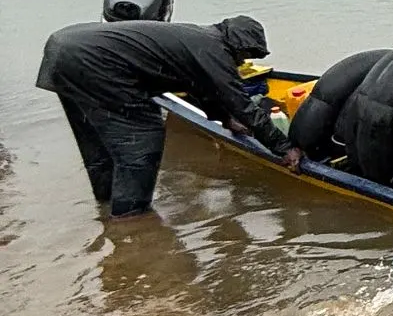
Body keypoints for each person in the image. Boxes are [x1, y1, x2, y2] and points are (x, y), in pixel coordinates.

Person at [36, 12, 299, 217]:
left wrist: (224, 120)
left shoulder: (200, 41)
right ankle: (131, 218)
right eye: (245, 55)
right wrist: (284, 147)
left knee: (96, 141)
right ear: (237, 44)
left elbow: (204, 90)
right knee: (143, 137)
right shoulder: (213, 49)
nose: (243, 63)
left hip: (64, 50)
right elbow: (242, 103)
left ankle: (107, 204)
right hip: (93, 63)